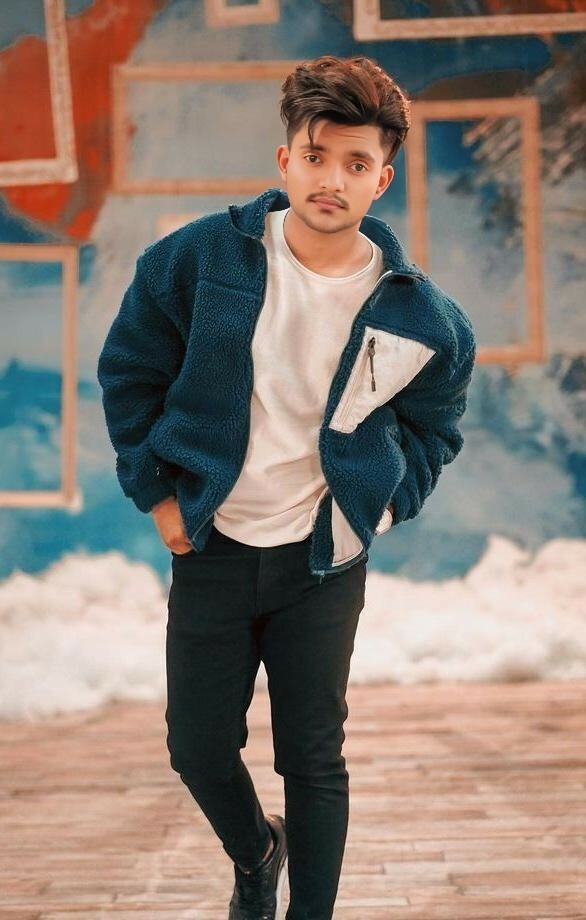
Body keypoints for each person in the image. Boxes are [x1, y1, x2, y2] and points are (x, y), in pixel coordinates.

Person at [97, 54, 476, 920]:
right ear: (286, 160)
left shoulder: (419, 315)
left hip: (321, 562)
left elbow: (436, 427)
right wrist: (159, 494)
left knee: (313, 757)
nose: (331, 179)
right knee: (196, 748)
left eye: (355, 163)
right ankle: (256, 851)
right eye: (316, 156)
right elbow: (130, 373)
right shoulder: (200, 260)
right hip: (215, 543)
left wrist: (381, 504)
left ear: (382, 177)